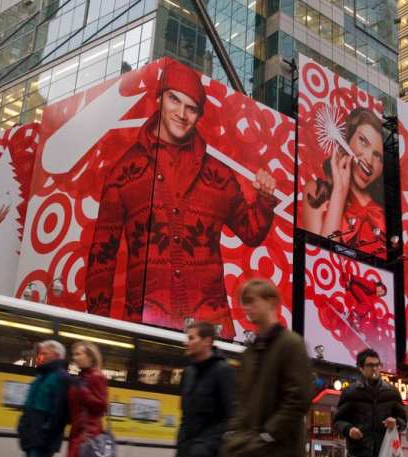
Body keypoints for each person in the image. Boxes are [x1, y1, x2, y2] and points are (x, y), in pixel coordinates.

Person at [86, 59, 278, 339]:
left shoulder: (219, 174)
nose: (181, 114)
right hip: (146, 326)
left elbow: (250, 232)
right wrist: (99, 327)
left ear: (199, 115)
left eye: (191, 108)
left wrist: (263, 198)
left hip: (211, 330)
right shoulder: (125, 172)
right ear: (159, 99)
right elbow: (102, 258)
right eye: (174, 100)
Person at [221, 279, 314, 457]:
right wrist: (235, 434)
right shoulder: (250, 351)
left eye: (252, 301)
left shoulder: (292, 344)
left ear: (271, 302)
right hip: (250, 456)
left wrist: (268, 435)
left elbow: (299, 397)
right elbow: (240, 401)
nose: (246, 307)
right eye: (244, 302)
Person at [332, 348, 407, 457]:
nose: (375, 369)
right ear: (360, 368)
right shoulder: (351, 392)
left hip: (383, 456)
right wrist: (349, 429)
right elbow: (337, 421)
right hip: (358, 456)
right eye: (370, 365)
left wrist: (396, 422)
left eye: (377, 365)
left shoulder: (392, 392)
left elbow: (403, 420)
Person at [301, 107, 385, 252]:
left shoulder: (383, 211)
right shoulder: (316, 192)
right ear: (347, 139)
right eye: (363, 141)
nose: (370, 161)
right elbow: (320, 257)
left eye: (378, 156)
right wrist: (340, 192)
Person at [175, 321, 234, 457]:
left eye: (191, 338)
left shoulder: (223, 372)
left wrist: (205, 446)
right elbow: (186, 415)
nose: (186, 342)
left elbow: (230, 417)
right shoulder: (189, 373)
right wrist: (181, 447)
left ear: (207, 341)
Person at [52, 342, 110, 457]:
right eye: (74, 354)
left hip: (86, 437)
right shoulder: (80, 378)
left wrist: (83, 391)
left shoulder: (96, 377)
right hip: (78, 436)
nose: (75, 357)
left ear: (90, 357)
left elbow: (101, 405)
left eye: (78, 354)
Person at [17, 340, 70, 457]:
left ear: (56, 355)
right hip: (31, 435)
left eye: (45, 353)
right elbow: (29, 406)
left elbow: (61, 413)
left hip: (43, 438)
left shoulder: (61, 378)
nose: (41, 356)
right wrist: (23, 426)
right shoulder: (40, 375)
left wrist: (46, 432)